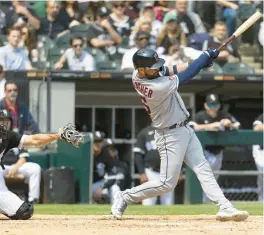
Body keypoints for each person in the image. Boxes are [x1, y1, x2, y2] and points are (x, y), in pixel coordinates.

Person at [111, 48, 249, 222]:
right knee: (166, 184)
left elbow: (170, 69)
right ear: (141, 69)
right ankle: (124, 196)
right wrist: (203, 58)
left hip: (185, 129)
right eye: (153, 67)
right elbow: (187, 76)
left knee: (203, 168)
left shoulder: (141, 74)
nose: (157, 68)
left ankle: (225, 206)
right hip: (169, 135)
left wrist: (201, 63)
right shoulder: (156, 87)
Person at [0, 109, 83, 220]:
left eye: (4, 121)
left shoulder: (7, 137)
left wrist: (57, 135)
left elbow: (34, 140)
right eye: (0, 120)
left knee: (24, 211)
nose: (2, 123)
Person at [188, 94, 241, 202]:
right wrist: (211, 125)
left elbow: (238, 125)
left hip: (218, 152)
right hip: (203, 152)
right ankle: (200, 202)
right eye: (210, 104)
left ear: (219, 105)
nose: (213, 106)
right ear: (205, 105)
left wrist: (229, 123)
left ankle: (208, 202)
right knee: (204, 178)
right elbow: (191, 127)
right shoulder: (200, 115)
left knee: (214, 179)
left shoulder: (224, 114)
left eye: (215, 104)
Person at [1, 109, 41, 204]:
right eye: (2, 121)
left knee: (35, 168)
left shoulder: (16, 136)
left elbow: (24, 157)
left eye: (7, 121)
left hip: (16, 166)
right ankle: (3, 198)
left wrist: (15, 167)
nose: (4, 123)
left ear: (11, 123)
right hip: (2, 167)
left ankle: (33, 199)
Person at [134, 124, 175, 205]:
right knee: (148, 202)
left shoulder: (172, 132)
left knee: (168, 203)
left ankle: (167, 218)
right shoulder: (144, 132)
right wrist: (142, 172)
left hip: (168, 171)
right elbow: (138, 155)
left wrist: (179, 169)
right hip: (151, 171)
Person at [92, 131, 123, 204]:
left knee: (115, 189)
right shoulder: (86, 152)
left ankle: (116, 211)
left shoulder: (105, 154)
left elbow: (112, 175)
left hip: (99, 183)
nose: (98, 143)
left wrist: (102, 188)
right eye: (95, 141)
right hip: (87, 184)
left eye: (100, 141)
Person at [252, 113, 264, 201]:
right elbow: (256, 128)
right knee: (262, 174)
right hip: (261, 150)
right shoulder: (262, 116)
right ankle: (262, 200)